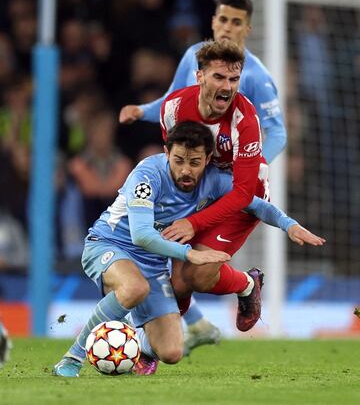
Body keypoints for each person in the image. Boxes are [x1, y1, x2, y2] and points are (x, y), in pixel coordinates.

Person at [53, 122, 324, 377]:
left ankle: (130, 345)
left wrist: (290, 226)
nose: (185, 170)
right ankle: (72, 358)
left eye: (194, 163)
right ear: (166, 152)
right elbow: (142, 236)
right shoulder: (148, 175)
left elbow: (257, 205)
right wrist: (189, 254)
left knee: (171, 352)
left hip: (153, 265)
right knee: (135, 288)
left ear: (207, 160)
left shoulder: (215, 181)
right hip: (110, 245)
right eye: (178, 160)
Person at [119, 0, 287, 351]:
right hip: (203, 182)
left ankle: (155, 344)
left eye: (236, 22)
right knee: (177, 271)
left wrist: (254, 159)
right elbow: (174, 102)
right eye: (223, 19)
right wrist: (141, 110)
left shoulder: (254, 77)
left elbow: (278, 132)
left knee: (192, 272)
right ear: (213, 21)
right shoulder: (194, 58)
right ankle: (164, 342)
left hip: (240, 188)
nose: (227, 27)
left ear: (248, 28)